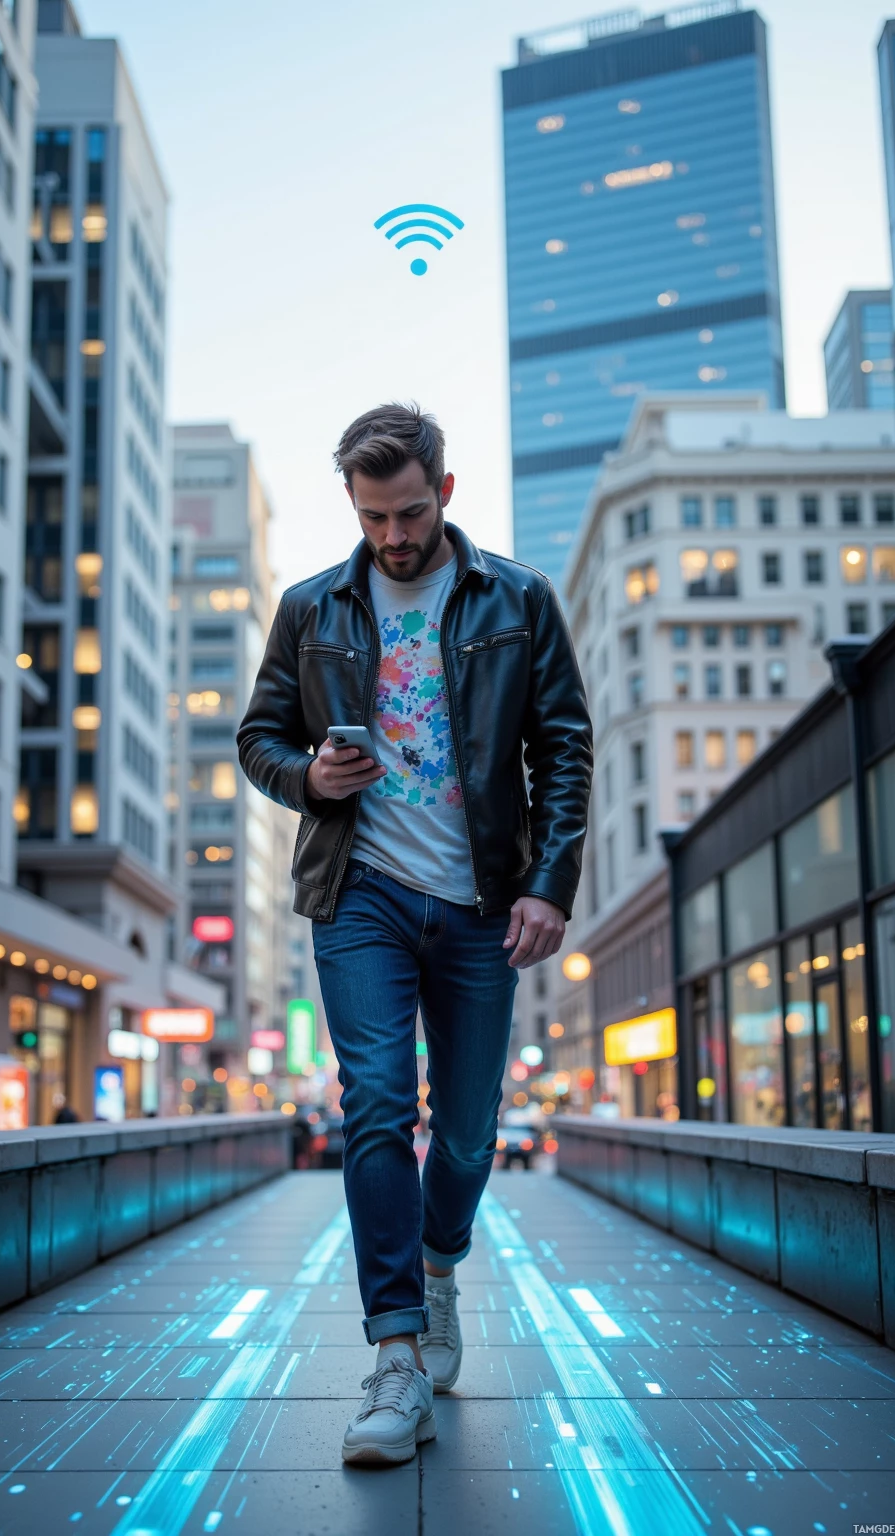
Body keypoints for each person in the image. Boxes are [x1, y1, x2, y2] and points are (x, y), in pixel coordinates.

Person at [238, 403, 592, 1465]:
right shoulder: (311, 609)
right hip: (362, 895)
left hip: (486, 904)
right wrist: (308, 776)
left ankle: (439, 1262)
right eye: (374, 516)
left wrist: (547, 885)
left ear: (446, 488)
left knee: (473, 1130)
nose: (394, 535)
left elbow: (564, 747)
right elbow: (258, 735)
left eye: (409, 511)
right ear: (351, 505)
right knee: (379, 1104)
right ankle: (394, 1354)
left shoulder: (516, 599)